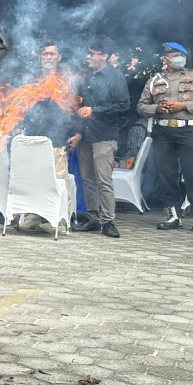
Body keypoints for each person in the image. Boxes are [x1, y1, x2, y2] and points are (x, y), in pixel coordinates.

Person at [137, 42, 193, 234]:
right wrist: (157, 108)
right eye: (174, 55)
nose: (179, 58)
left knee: (192, 173)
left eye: (181, 55)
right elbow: (141, 106)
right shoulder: (154, 80)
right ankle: (173, 215)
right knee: (166, 173)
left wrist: (183, 106)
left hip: (188, 130)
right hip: (163, 131)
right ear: (165, 58)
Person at [68, 37, 130, 238]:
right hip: (86, 135)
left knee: (103, 180)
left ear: (104, 56)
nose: (88, 56)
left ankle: (108, 221)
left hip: (105, 135)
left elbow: (123, 106)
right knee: (87, 179)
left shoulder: (115, 77)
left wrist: (94, 110)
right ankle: (93, 218)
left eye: (92, 53)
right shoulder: (87, 77)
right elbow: (79, 106)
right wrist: (78, 132)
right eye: (88, 52)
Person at [16, 40, 78, 231]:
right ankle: (33, 216)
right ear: (40, 57)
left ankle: (61, 219)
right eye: (46, 54)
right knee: (34, 180)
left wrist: (78, 133)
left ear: (59, 57)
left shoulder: (68, 80)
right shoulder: (31, 79)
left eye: (52, 54)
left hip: (58, 139)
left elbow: (77, 109)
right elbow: (20, 107)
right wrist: (19, 127)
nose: (49, 57)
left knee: (59, 181)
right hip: (33, 139)